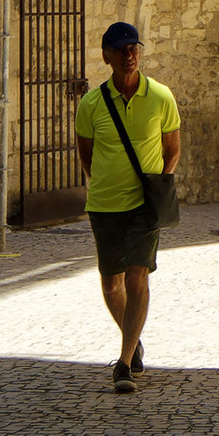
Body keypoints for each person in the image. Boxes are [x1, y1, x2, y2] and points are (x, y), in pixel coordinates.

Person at [73, 21, 181, 393]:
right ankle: (133, 342)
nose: (128, 55)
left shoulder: (161, 96)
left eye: (134, 48)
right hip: (104, 204)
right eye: (120, 50)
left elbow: (173, 149)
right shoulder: (91, 104)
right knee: (110, 282)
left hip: (144, 205)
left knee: (137, 275)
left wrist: (160, 185)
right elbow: (86, 157)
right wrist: (105, 181)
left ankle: (123, 362)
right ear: (106, 56)